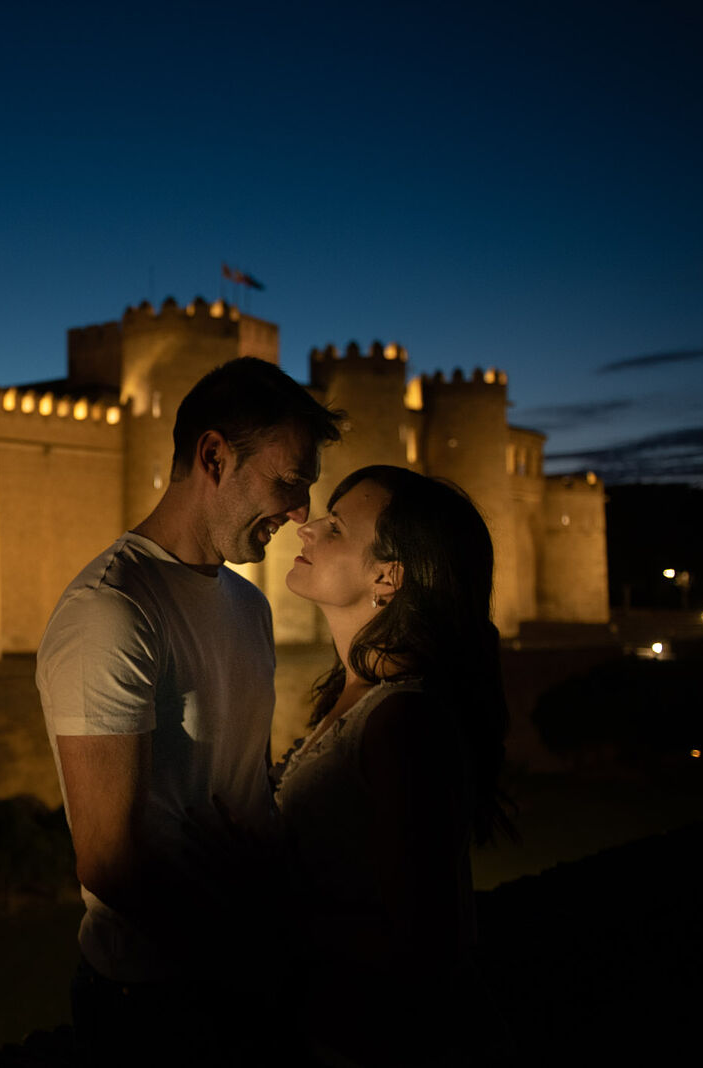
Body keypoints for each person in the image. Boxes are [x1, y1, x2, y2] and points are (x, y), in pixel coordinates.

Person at [36, 356, 343, 1064]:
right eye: (287, 482)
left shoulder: (247, 605)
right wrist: (259, 944)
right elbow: (110, 864)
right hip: (154, 1001)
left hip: (246, 979)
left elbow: (239, 794)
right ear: (213, 456)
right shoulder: (111, 612)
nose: (299, 512)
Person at [277, 464, 513, 1066]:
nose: (305, 528)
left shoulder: (404, 720)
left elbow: (426, 943)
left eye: (334, 527)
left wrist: (255, 905)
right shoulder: (359, 698)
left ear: (387, 576)